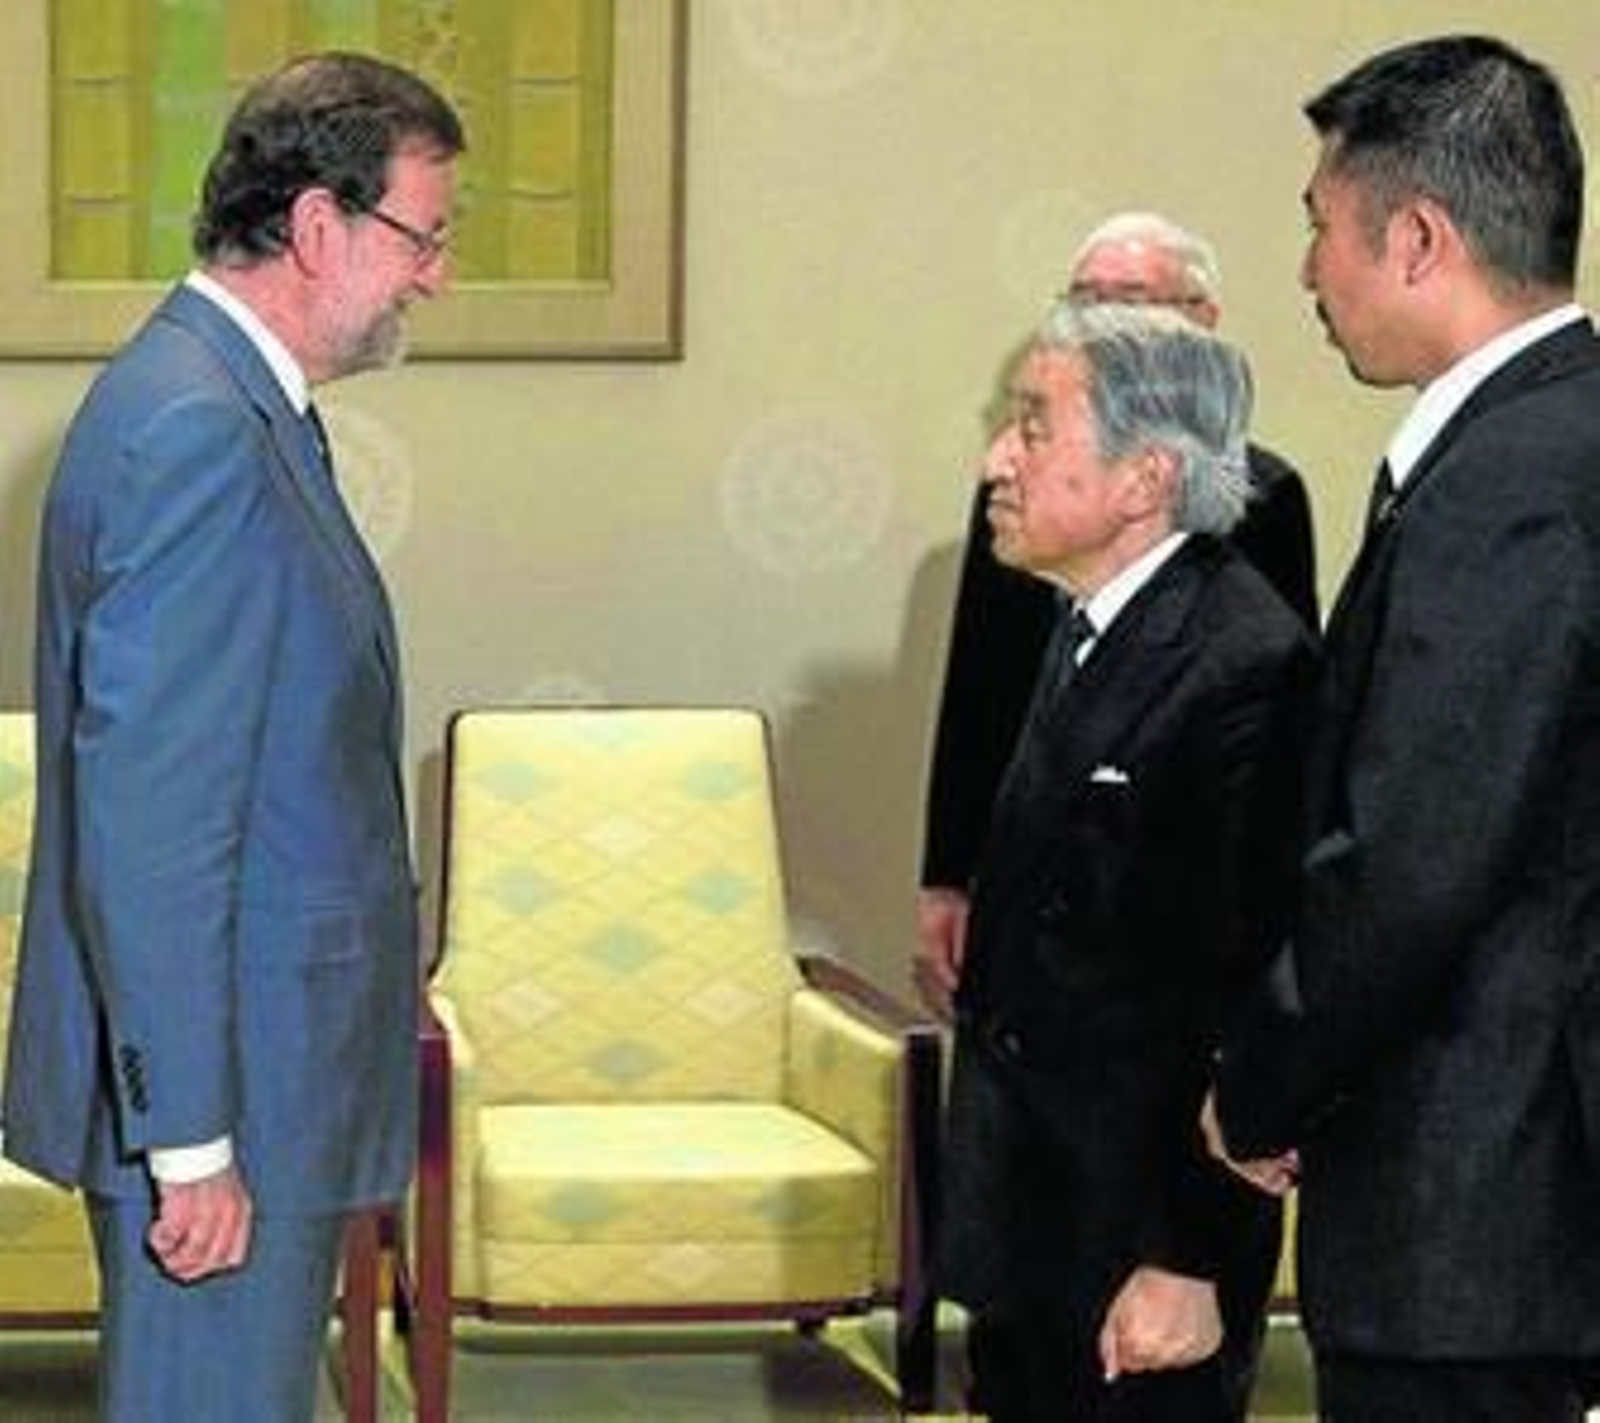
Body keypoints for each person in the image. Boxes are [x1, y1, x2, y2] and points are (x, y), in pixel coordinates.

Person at [0, 53, 463, 1421]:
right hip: (228, 1101)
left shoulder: (227, 401)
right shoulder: (199, 427)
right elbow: (154, 819)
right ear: (320, 225)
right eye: (424, 236)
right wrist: (190, 1136)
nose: (435, 276)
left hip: (262, 1075)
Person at [1207, 35, 1600, 1423]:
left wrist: (1258, 1085)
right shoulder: (1554, 439)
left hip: (1475, 1197)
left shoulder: (1509, 482)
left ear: (1419, 237)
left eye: (1321, 226)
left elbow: (1414, 858)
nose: (1308, 272)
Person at [941, 300, 1317, 1421]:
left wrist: (1190, 1253)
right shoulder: (1084, 629)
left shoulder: (1242, 665)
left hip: (1138, 1249)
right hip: (1038, 1222)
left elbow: (1245, 993)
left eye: (1033, 426)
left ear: (1146, 477)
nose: (996, 460)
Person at [916, 212, 1317, 1027]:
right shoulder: (1031, 515)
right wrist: (948, 873)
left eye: (1129, 300)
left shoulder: (1253, 588)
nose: (1101, 322)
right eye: (1084, 300)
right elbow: (982, 689)